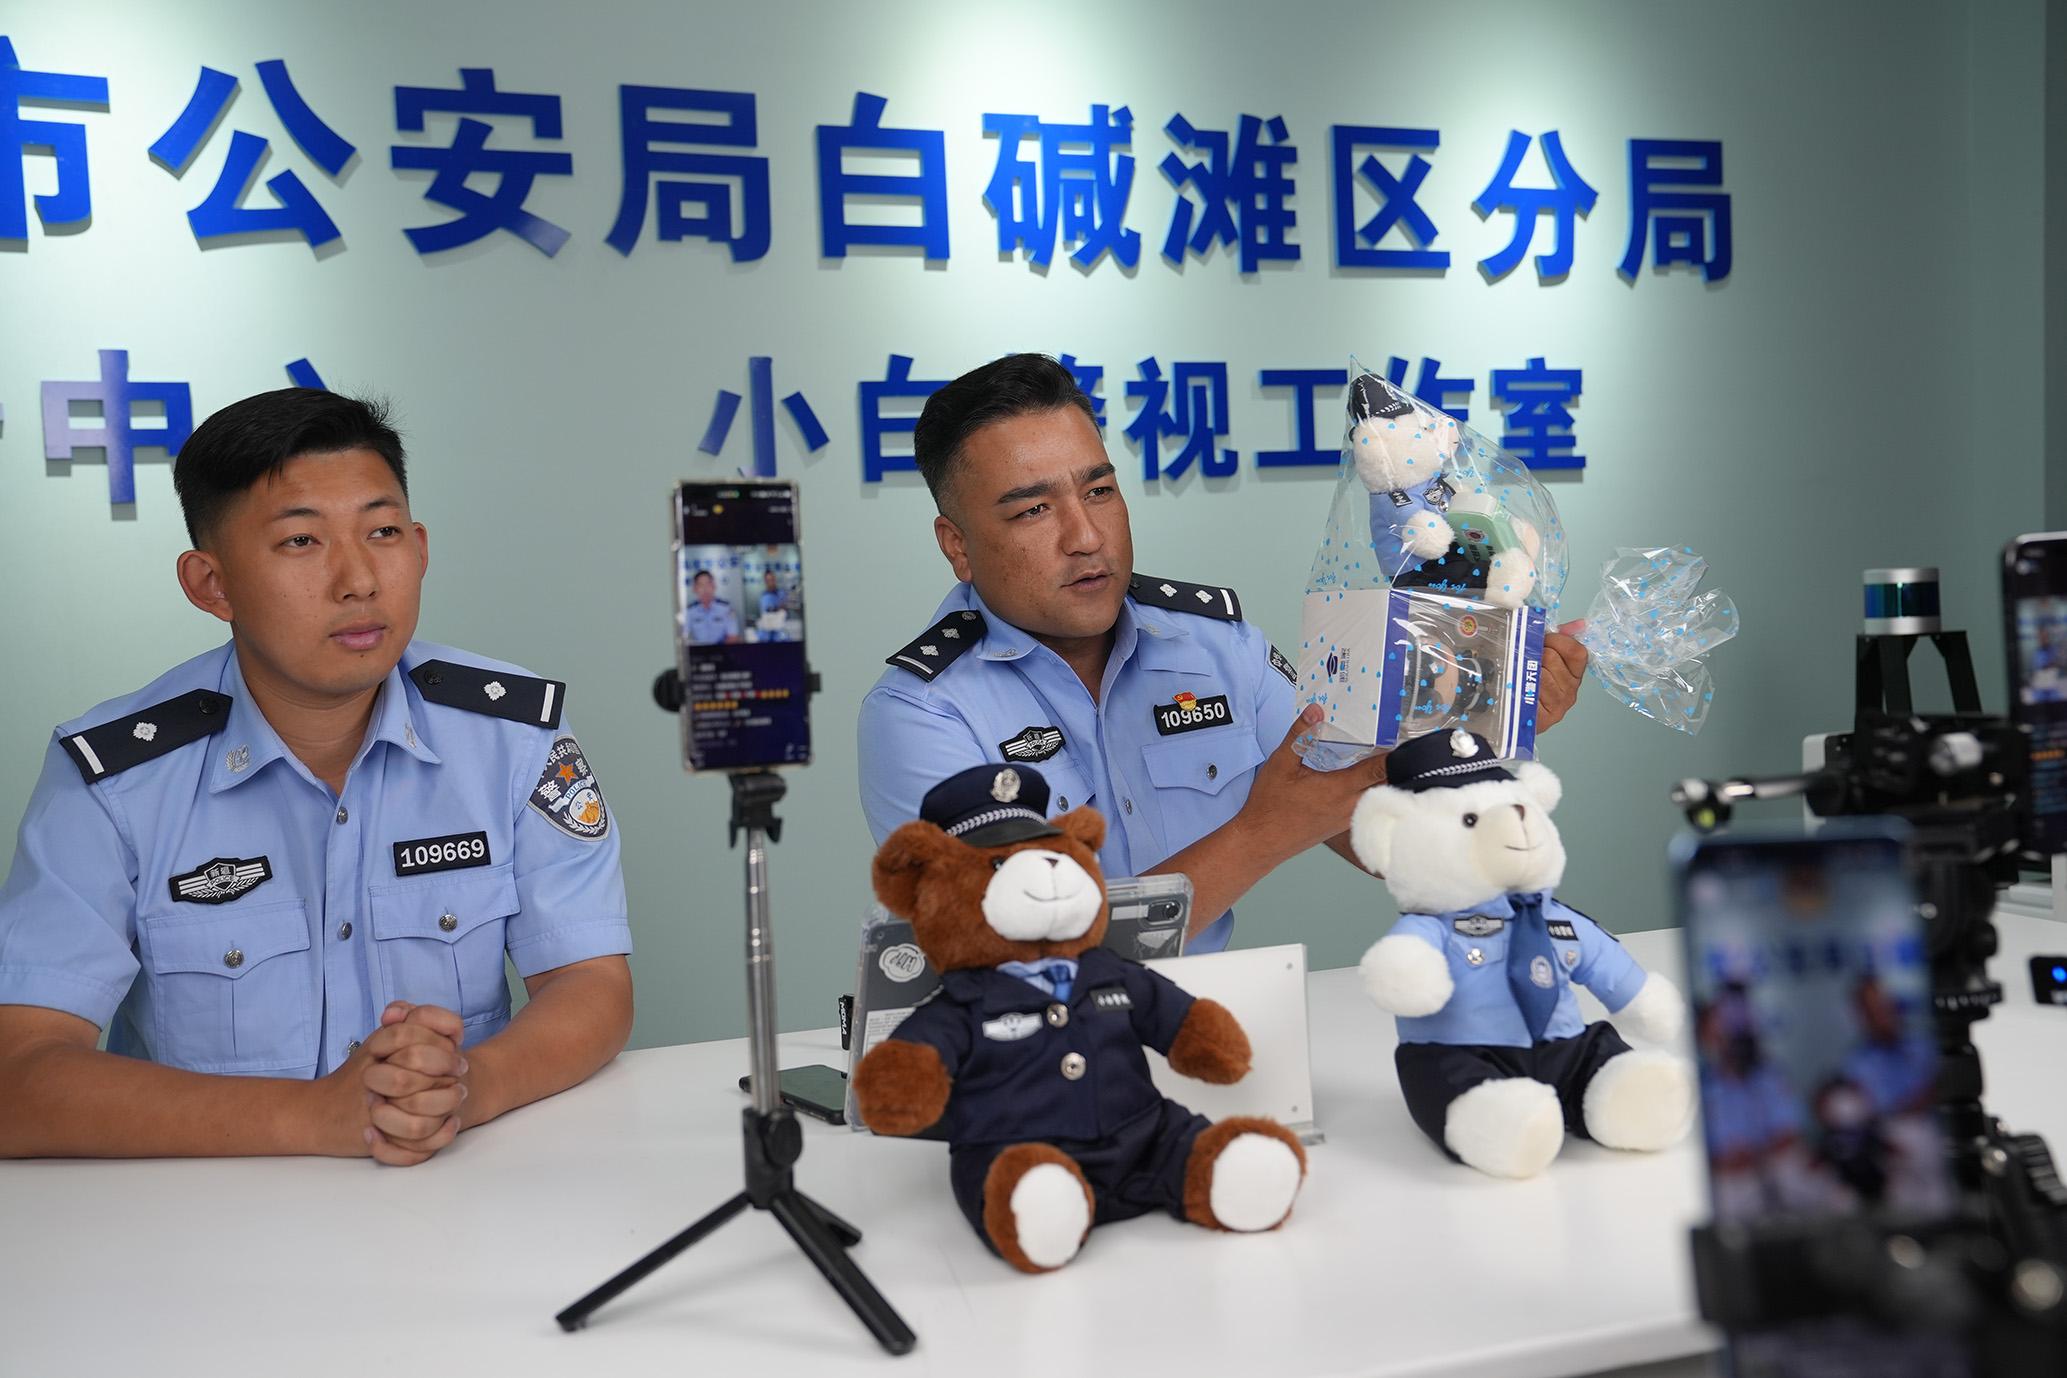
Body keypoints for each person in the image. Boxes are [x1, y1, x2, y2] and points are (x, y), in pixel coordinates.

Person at [0, 388, 634, 1165]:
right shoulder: (113, 780)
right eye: (301, 541)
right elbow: (18, 1074)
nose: (358, 579)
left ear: (420, 548)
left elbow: (591, 984)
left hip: (456, 1194)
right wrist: (314, 1117)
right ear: (211, 584)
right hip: (207, 1216)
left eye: (383, 532)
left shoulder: (512, 736)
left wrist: (468, 1088)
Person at [856, 353, 1589, 953]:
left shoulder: (1216, 647)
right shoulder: (922, 714)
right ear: (957, 546)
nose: (1085, 536)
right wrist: (1259, 835)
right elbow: (1018, 958)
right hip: (1031, 1059)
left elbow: (1389, 842)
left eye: (1099, 490)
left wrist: (1483, 724)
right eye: (1033, 509)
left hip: (1215, 1031)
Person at [684, 568, 740, 645]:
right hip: (698, 651)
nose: (705, 589)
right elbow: (683, 636)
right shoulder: (690, 611)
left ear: (714, 586)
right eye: (701, 585)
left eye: (708, 584)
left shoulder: (726, 608)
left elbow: (733, 636)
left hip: (722, 650)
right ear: (695, 589)